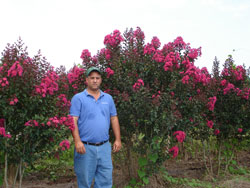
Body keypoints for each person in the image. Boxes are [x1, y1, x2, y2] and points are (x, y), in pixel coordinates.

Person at [70, 66, 122, 188]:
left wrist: (118, 139)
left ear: (101, 80)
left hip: (104, 147)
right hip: (85, 148)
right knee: (84, 182)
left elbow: (114, 118)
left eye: (97, 78)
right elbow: (72, 120)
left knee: (105, 182)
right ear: (87, 80)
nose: (95, 80)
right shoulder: (78, 98)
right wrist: (77, 141)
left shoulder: (108, 98)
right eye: (92, 78)